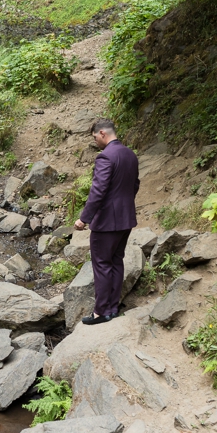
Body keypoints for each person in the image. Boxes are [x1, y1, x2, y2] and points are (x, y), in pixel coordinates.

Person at [75, 118, 139, 325]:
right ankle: (113, 307)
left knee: (102, 264)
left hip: (107, 223)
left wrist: (84, 218)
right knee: (116, 261)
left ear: (102, 133)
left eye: (94, 137)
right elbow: (135, 184)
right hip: (126, 218)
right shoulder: (130, 155)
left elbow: (98, 191)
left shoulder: (105, 157)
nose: (95, 141)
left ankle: (102, 311)